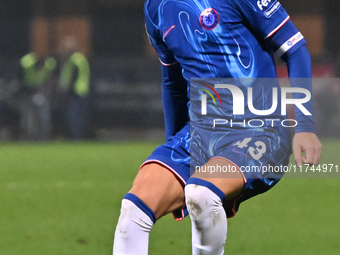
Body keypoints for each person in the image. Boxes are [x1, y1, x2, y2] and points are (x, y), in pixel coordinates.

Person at [113, 0, 322, 254]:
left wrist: (305, 127)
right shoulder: (155, 7)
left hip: (261, 129)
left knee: (200, 193)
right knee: (132, 211)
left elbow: (295, 50)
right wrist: (175, 163)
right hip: (200, 131)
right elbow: (173, 82)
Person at [19, 52, 56, 140]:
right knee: (27, 117)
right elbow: (23, 78)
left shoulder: (48, 66)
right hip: (29, 93)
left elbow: (50, 79)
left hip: (42, 94)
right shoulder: (28, 66)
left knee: (43, 116)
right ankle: (28, 135)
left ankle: (43, 135)